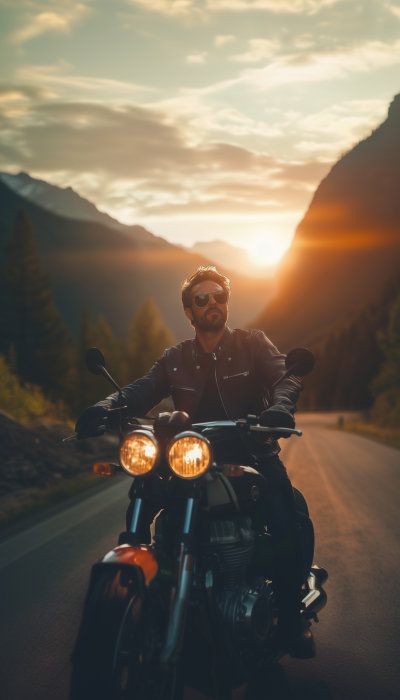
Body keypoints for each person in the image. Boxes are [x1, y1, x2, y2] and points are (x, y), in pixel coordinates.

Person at [75, 265, 315, 658]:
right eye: (202, 299)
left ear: (226, 302)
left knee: (287, 520)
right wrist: (105, 405)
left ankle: (290, 617)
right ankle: (148, 591)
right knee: (144, 494)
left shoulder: (253, 343)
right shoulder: (175, 357)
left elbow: (283, 375)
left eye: (219, 296)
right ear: (189, 312)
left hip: (252, 454)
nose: (212, 303)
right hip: (188, 458)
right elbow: (141, 390)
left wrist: (282, 405)